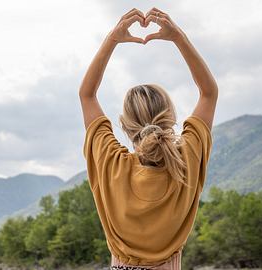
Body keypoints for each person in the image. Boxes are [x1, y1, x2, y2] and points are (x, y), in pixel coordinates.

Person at [80, 7, 218, 270]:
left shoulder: (111, 165)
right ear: (171, 119)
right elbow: (209, 93)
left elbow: (87, 95)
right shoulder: (186, 162)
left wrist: (113, 38)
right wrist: (178, 37)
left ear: (124, 124)